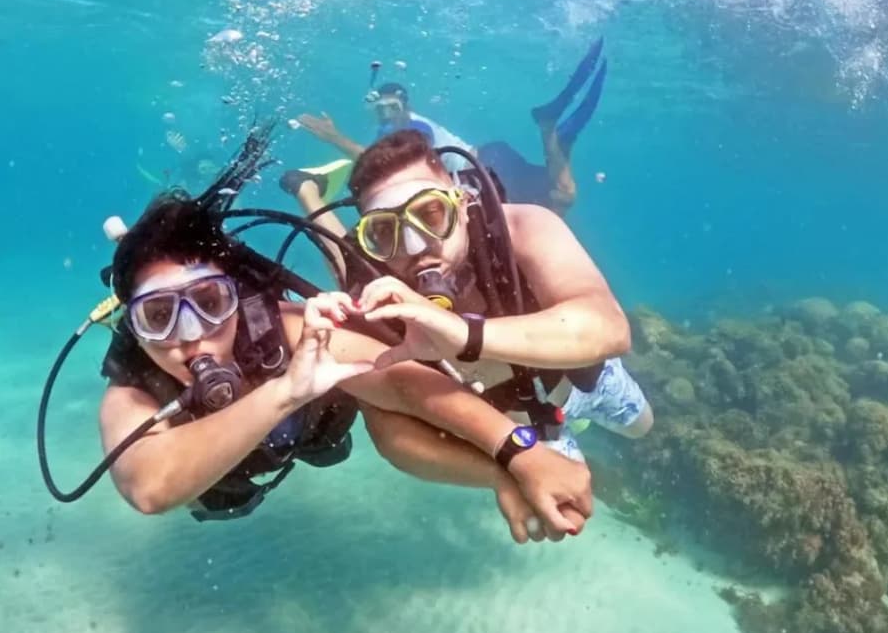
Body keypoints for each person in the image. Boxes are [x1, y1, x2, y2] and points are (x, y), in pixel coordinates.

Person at [96, 135, 595, 543]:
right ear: (131, 325)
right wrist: (285, 392)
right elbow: (149, 487)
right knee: (349, 271)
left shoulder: (284, 327)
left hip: (313, 433)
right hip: (240, 468)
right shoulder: (133, 385)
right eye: (158, 316)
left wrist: (519, 454)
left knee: (357, 310)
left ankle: (307, 193)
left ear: (236, 296)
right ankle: (307, 196)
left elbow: (402, 382)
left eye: (209, 302)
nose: (191, 334)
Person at [279, 128, 653, 480]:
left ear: (462, 201)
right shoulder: (377, 285)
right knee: (345, 261)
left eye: (429, 214)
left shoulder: (521, 227)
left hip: (589, 381)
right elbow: (392, 437)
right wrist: (503, 474)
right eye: (383, 230)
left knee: (642, 428)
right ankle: (308, 190)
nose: (415, 247)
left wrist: (465, 335)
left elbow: (610, 328)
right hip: (519, 430)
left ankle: (314, 193)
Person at [296, 39, 607, 216]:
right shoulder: (392, 131)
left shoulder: (415, 127)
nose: (387, 115)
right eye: (381, 109)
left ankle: (550, 130)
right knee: (562, 195)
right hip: (492, 161)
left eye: (393, 108)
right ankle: (549, 129)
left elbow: (382, 162)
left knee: (558, 201)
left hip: (487, 170)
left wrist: (334, 137)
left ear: (405, 107)